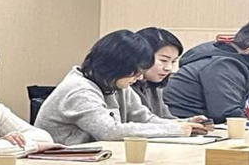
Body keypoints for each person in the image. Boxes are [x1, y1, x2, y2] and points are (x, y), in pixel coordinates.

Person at [35, 30, 202, 145]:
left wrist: (185, 125)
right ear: (117, 66)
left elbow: (144, 118)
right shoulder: (80, 91)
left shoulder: (117, 84)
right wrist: (175, 130)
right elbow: (109, 131)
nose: (140, 78)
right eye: (136, 72)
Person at [164, 22, 249, 123]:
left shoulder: (221, 59)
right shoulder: (223, 66)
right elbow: (227, 115)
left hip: (194, 124)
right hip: (184, 125)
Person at [134, 28, 212, 129]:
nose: (169, 68)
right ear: (142, 56)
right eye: (163, 60)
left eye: (173, 62)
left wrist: (188, 122)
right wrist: (180, 127)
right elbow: (139, 125)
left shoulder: (153, 87)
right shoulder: (125, 87)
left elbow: (164, 119)